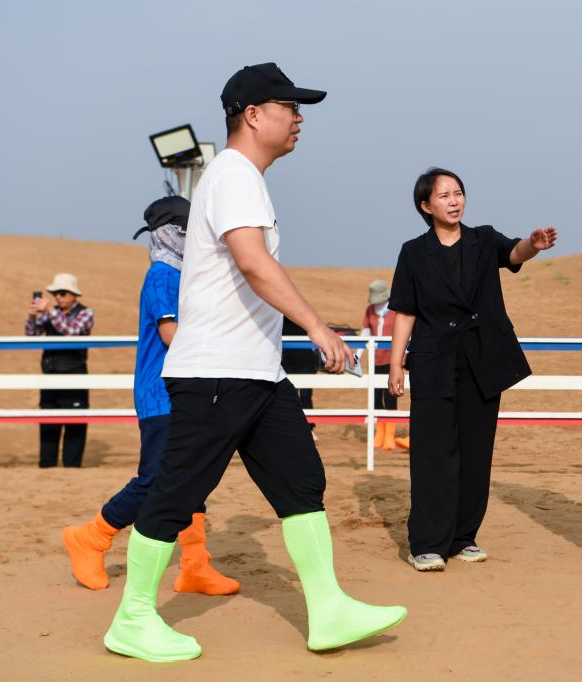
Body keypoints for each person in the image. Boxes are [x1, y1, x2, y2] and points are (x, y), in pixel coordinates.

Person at [102, 62, 405, 662]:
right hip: (216, 372)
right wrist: (318, 327)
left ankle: (329, 609)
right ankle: (132, 618)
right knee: (175, 492)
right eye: (290, 107)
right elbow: (253, 262)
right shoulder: (234, 174)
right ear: (253, 114)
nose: (299, 118)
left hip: (258, 373)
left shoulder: (243, 179)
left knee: (301, 483)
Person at [61, 196, 238, 596]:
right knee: (156, 477)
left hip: (186, 389)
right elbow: (171, 334)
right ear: (170, 234)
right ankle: (92, 537)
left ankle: (195, 564)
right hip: (162, 393)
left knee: (193, 477)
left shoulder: (185, 275)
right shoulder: (162, 274)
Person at [388, 167, 557, 572]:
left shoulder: (483, 239)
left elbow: (514, 253)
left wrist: (532, 245)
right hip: (432, 362)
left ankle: (464, 537)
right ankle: (427, 543)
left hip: (482, 360)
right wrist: (396, 364)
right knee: (431, 453)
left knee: (475, 454)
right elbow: (405, 311)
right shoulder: (413, 252)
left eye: (458, 192)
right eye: (444, 195)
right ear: (426, 206)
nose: (454, 200)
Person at [24, 273, 94, 468]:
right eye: (55, 293)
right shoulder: (50, 312)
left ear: (74, 295)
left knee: (75, 423)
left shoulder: (85, 313)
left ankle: (72, 469)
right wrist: (32, 315)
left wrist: (50, 311)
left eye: (62, 293)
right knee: (48, 423)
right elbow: (31, 334)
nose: (58, 297)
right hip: (50, 376)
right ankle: (47, 467)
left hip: (75, 375)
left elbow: (72, 331)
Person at [360, 279, 407, 450]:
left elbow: (405, 333)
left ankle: (389, 435)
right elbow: (365, 332)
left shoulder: (395, 310)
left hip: (391, 359)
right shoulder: (370, 310)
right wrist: (357, 355)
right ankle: (379, 433)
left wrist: (404, 355)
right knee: (375, 397)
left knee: (390, 397)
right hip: (375, 359)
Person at [280, 315, 320, 439]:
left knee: (306, 395)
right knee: (291, 396)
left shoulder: (303, 316)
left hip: (305, 361)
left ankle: (309, 428)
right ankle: (292, 428)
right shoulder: (280, 318)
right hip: (288, 361)